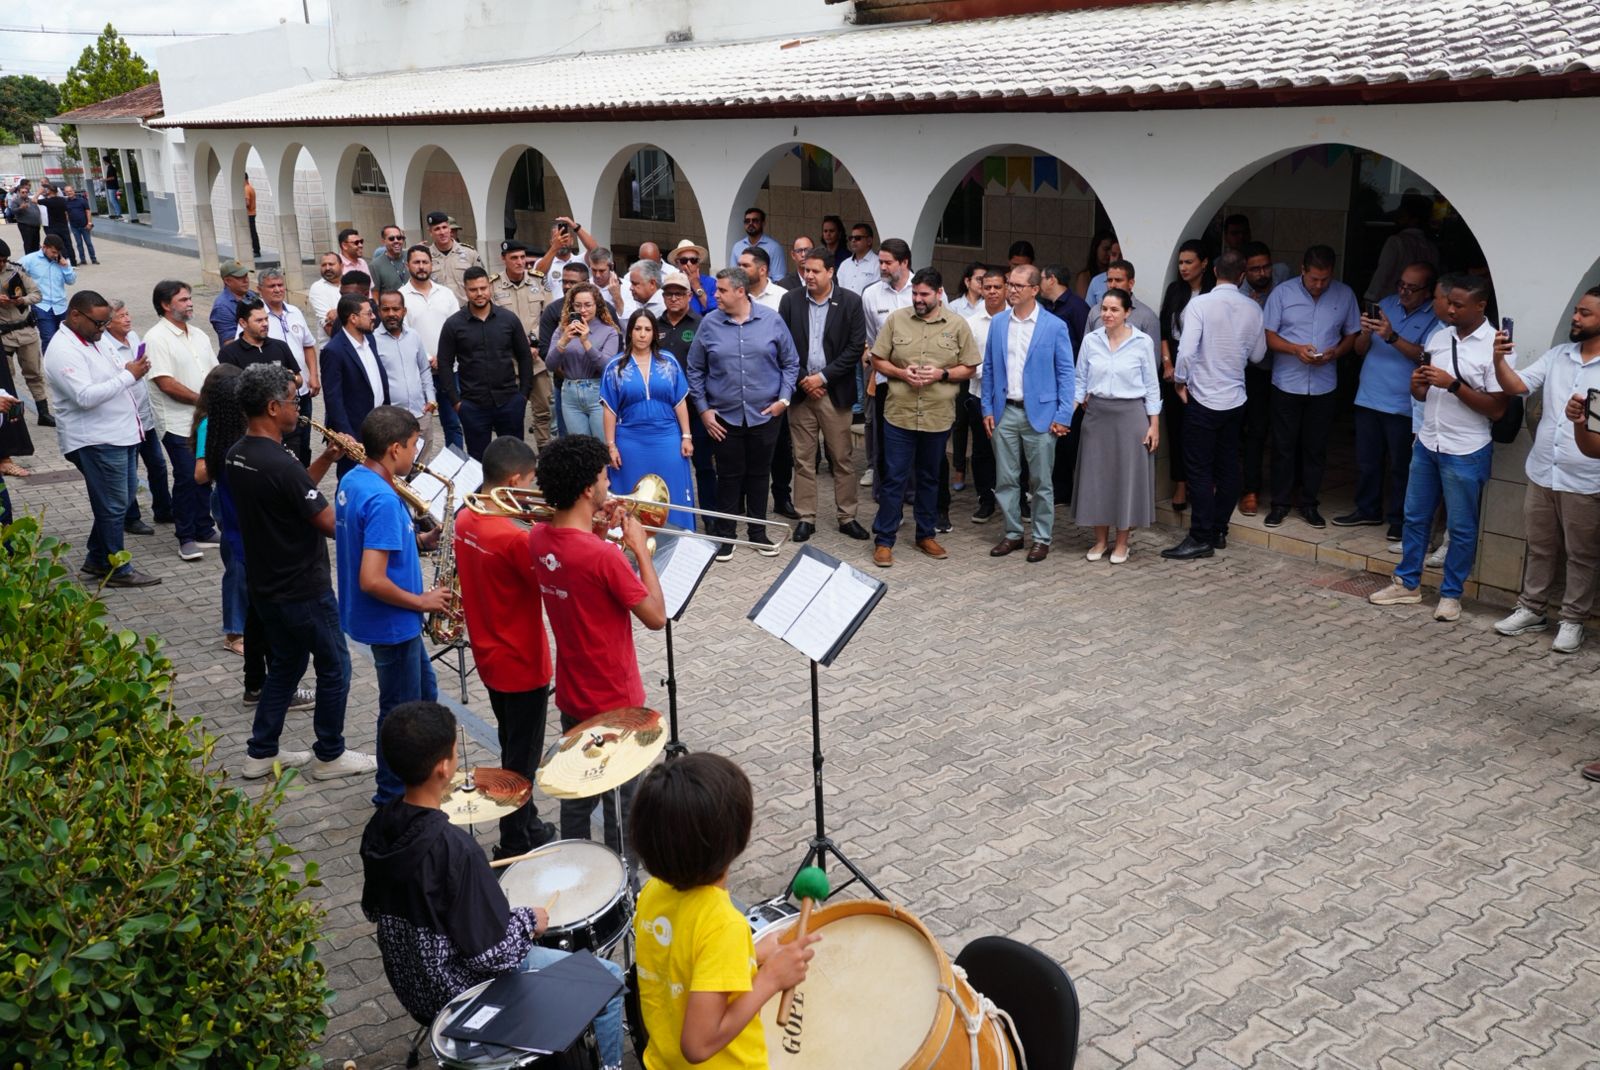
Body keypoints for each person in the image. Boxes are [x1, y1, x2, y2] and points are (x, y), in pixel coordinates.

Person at [361, 703, 627, 1070]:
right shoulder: (454, 850)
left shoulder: (380, 828)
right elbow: (494, 956)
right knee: (608, 980)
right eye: (455, 750)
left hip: (413, 986)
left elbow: (375, 908)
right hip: (461, 991)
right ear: (444, 767)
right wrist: (528, 921)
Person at [226, 363, 374, 779]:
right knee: (335, 667)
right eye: (294, 401)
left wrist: (327, 457)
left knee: (287, 667)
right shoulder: (279, 463)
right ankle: (330, 753)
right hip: (302, 586)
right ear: (274, 407)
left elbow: (292, 495)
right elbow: (327, 522)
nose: (299, 408)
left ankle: (261, 752)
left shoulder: (239, 454)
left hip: (266, 584)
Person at [629, 753, 819, 1070]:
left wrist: (752, 955)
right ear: (738, 837)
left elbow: (681, 960)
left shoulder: (651, 894)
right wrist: (770, 979)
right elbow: (698, 1044)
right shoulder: (723, 925)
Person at [528, 435, 666, 851]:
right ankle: (626, 889)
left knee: (576, 792)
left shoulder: (537, 537)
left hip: (573, 694)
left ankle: (576, 868)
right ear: (588, 488)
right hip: (616, 701)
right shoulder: (605, 557)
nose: (610, 483)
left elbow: (575, 556)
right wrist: (640, 550)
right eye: (605, 476)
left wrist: (598, 528)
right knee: (622, 810)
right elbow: (656, 618)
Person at [1369, 275, 1509, 622]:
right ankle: (1407, 584)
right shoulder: (1439, 337)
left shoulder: (1495, 345)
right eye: (1449, 302)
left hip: (1466, 448)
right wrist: (1417, 385)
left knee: (1461, 527)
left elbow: (1497, 409)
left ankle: (1451, 595)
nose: (1449, 308)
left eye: (1458, 304)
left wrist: (1454, 385)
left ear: (1480, 306)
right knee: (1415, 518)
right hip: (1428, 441)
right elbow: (1422, 393)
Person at [336, 405, 453, 804]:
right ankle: (392, 797)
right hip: (393, 621)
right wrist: (422, 601)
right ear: (393, 449)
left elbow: (371, 544)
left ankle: (418, 778)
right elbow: (372, 578)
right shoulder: (384, 499)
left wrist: (419, 542)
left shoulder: (355, 480)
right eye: (413, 446)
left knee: (425, 693)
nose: (416, 454)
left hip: (387, 621)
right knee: (400, 715)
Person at [453, 437, 559, 856]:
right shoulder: (513, 538)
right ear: (514, 480)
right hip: (523, 662)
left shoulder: (465, 517)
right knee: (521, 759)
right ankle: (515, 841)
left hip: (489, 655)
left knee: (510, 740)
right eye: (530, 482)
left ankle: (527, 822)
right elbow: (552, 584)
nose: (533, 490)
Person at [1490, 286, 1600, 654]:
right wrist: (1498, 361)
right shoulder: (1558, 356)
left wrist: (1581, 423)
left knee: (1582, 554)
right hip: (1542, 471)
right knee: (1539, 547)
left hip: (1585, 480)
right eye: (1577, 311)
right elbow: (1516, 386)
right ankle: (1532, 609)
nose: (1576, 317)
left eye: (1585, 313)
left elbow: (1597, 443)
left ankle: (1572, 621)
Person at [42, 289, 161, 587]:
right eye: (98, 323)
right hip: (96, 440)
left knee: (120, 500)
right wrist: (128, 376)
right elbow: (84, 396)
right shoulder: (62, 350)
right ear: (75, 315)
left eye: (106, 322)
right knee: (112, 504)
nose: (102, 329)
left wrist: (131, 370)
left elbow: (113, 374)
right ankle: (116, 569)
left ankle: (97, 559)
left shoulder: (94, 339)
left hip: (121, 434)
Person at [1159, 251, 1268, 560]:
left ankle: (1200, 536)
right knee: (1228, 467)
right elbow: (1258, 356)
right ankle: (1219, 530)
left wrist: (1180, 380)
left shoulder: (1200, 305)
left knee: (1199, 470)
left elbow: (1187, 350)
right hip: (1235, 399)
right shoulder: (1253, 308)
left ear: (1215, 270)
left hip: (1203, 399)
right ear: (1242, 276)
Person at [686, 267, 800, 559]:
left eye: (721, 290)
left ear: (740, 291)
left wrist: (783, 401)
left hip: (766, 415)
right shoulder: (710, 323)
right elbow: (695, 369)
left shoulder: (772, 321)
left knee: (761, 474)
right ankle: (726, 536)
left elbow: (791, 363)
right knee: (728, 475)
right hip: (723, 417)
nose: (715, 296)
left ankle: (757, 532)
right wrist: (704, 410)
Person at [1338, 262, 1441, 538]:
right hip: (1369, 397)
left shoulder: (1436, 317)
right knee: (1367, 461)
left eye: (1412, 288)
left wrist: (1392, 336)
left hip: (1404, 405)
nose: (1404, 292)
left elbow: (1427, 356)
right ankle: (1367, 510)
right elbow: (1360, 351)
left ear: (1428, 291)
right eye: (1401, 285)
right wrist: (1365, 333)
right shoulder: (1386, 304)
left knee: (1401, 466)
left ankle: (1399, 519)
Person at [1262, 245, 1361, 529]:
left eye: (1325, 279)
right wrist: (1295, 349)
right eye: (1314, 278)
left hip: (1324, 385)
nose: (1319, 285)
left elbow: (1352, 334)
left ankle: (1309, 504)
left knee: (1315, 448)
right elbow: (1269, 336)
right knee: (1283, 446)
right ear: (1302, 271)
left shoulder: (1344, 295)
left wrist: (1336, 353)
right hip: (1286, 383)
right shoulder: (1282, 294)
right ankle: (1279, 504)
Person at [980, 265, 1073, 564]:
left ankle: (1042, 538)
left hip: (1042, 415)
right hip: (1004, 410)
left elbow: (1066, 374)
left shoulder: (1054, 326)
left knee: (1041, 482)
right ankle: (1013, 534)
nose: (1011, 290)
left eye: (1019, 285)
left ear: (1035, 290)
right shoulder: (998, 323)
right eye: (1010, 284)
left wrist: (1063, 415)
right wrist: (986, 408)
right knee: (1006, 478)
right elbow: (990, 369)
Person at [779, 248, 869, 543]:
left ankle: (848, 516)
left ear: (831, 272)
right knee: (803, 460)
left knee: (841, 458)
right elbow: (784, 345)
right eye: (806, 270)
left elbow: (855, 347)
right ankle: (806, 517)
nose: (809, 276)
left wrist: (823, 378)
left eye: (816, 271)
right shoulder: (790, 300)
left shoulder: (850, 302)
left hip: (834, 392)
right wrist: (806, 378)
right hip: (802, 394)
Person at [1074, 288, 1161, 563]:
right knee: (1097, 478)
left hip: (1130, 417)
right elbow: (1079, 382)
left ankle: (1122, 543)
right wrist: (1064, 416)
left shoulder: (1142, 341)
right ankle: (1100, 541)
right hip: (1097, 416)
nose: (1108, 314)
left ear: (1127, 313)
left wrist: (1154, 424)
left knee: (1125, 479)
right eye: (1104, 309)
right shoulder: (1091, 340)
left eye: (1114, 310)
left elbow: (1151, 386)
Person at [144, 279, 222, 561]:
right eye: (183, 300)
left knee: (205, 474)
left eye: (189, 299)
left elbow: (215, 372)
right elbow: (166, 382)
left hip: (207, 420)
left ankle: (204, 528)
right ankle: (186, 536)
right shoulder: (156, 338)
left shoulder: (198, 334)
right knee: (188, 477)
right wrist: (201, 400)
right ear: (166, 305)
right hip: (179, 423)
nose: (190, 303)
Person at [602, 309, 695, 527]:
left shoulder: (669, 362)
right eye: (637, 329)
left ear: (654, 333)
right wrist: (611, 446)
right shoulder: (615, 367)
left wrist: (687, 436)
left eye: (647, 329)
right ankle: (629, 543)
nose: (642, 334)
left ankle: (677, 541)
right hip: (630, 441)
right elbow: (610, 410)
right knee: (629, 493)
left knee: (672, 490)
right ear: (630, 332)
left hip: (667, 438)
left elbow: (680, 402)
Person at [437, 267, 533, 460]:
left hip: (509, 402)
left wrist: (522, 396)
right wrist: (456, 402)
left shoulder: (509, 320)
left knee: (514, 459)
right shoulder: (453, 325)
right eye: (473, 290)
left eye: (483, 288)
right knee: (478, 462)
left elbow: (524, 357)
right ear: (465, 290)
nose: (479, 293)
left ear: (489, 287)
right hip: (472, 406)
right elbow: (445, 364)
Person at [193, 365, 255, 661]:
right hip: (228, 498)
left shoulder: (241, 419)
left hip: (245, 495)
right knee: (237, 564)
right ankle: (234, 632)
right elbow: (200, 474)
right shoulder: (210, 425)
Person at [103, 298, 172, 529]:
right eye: (121, 316)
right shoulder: (104, 346)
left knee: (158, 466)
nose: (128, 319)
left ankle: (164, 510)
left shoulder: (132, 336)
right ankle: (130, 518)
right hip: (125, 420)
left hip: (145, 416)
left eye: (128, 313)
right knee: (129, 473)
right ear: (108, 323)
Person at [656, 268, 718, 515]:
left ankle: (710, 516)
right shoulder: (653, 325)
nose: (673, 298)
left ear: (689, 295)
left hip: (695, 407)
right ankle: (673, 515)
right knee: (668, 465)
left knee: (703, 466)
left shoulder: (702, 324)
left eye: (679, 293)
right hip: (663, 410)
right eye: (669, 293)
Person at [1236, 241, 1291, 515]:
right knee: (1249, 432)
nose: (1262, 273)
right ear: (1244, 272)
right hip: (1249, 370)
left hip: (1282, 368)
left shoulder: (1283, 278)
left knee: (1273, 433)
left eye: (1265, 266)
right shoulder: (1239, 296)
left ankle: (1268, 489)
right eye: (1255, 269)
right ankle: (1247, 488)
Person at [1158, 240, 1212, 514]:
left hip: (1205, 366)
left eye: (1189, 262)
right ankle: (1180, 483)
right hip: (1175, 362)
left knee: (1202, 429)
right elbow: (1164, 331)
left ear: (1204, 263)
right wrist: (1168, 364)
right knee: (1177, 429)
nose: (1183, 268)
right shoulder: (1175, 290)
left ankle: (1203, 481)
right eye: (1180, 262)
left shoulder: (1213, 293)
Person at [860, 238, 915, 496]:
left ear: (904, 263)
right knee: (885, 439)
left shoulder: (924, 289)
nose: (881, 267)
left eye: (887, 262)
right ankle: (886, 494)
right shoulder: (870, 294)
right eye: (880, 261)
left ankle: (913, 493)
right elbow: (872, 340)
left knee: (917, 440)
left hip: (920, 383)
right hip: (885, 381)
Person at [398, 243, 464, 451]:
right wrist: (427, 357)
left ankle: (456, 469)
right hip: (418, 374)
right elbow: (404, 332)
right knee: (416, 427)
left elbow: (457, 330)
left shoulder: (446, 294)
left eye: (425, 262)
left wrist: (444, 358)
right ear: (408, 265)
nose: (421, 266)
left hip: (449, 371)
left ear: (431, 265)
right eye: (416, 262)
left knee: (453, 423)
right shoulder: (401, 297)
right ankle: (413, 472)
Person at [492, 240, 553, 449]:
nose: (519, 262)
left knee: (543, 409)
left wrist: (537, 345)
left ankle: (544, 453)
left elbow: (548, 318)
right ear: (504, 259)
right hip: (509, 363)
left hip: (536, 359)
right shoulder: (493, 286)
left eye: (522, 257)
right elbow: (492, 323)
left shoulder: (538, 281)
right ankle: (516, 454)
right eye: (513, 258)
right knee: (511, 411)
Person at [320, 292, 391, 474]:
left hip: (378, 426)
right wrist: (347, 437)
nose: (374, 316)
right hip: (354, 433)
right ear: (353, 318)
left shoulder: (371, 340)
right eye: (368, 313)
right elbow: (333, 398)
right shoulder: (333, 351)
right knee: (353, 481)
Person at [961, 266, 1008, 523]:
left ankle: (1017, 499)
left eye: (997, 287)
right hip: (979, 395)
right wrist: (989, 372)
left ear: (1006, 288)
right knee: (982, 450)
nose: (991, 292)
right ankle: (985, 499)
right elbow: (967, 361)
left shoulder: (1016, 318)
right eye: (987, 287)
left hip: (1011, 397)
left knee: (1013, 450)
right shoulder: (971, 323)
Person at [258, 268, 320, 464]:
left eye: (280, 285)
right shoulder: (258, 317)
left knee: (303, 441)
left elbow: (308, 345)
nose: (277, 290)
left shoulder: (295, 312)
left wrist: (314, 375)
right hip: (276, 398)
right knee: (281, 445)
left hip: (301, 392)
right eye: (271, 286)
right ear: (260, 289)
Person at [548, 282, 621, 441]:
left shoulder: (609, 331)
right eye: (578, 305)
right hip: (570, 392)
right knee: (580, 448)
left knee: (603, 446)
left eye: (588, 305)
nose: (583, 310)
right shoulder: (562, 330)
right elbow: (550, 365)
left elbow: (607, 367)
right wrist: (564, 341)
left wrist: (586, 342)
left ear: (597, 305)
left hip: (598, 391)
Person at [374, 290, 438, 460]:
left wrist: (431, 399)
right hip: (392, 419)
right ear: (379, 311)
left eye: (396, 309)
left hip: (421, 414)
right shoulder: (372, 341)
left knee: (422, 467)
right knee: (396, 467)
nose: (391, 314)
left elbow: (424, 369)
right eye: (386, 309)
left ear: (404, 311)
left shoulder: (414, 336)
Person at [0, 239, 53, 427]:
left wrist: (21, 300)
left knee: (34, 373)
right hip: (3, 336)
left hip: (25, 331)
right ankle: (13, 417)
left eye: (4, 260)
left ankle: (43, 413)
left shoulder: (16, 271)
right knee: (6, 379)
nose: (2, 263)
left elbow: (37, 294)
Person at [1365, 194, 1440, 304]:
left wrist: (1370, 297)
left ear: (1414, 219)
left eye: (1403, 215)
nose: (1398, 217)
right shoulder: (1431, 247)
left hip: (1392, 301)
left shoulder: (1396, 242)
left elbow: (1383, 271)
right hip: (1421, 302)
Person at [219, 298, 302, 381]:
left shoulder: (281, 346)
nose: (265, 324)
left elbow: (299, 379)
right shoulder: (229, 353)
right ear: (243, 323)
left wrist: (292, 378)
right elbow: (225, 389)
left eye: (266, 319)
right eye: (259, 320)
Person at [20, 235, 74, 357]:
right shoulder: (30, 260)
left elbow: (71, 281)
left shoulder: (61, 261)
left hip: (61, 306)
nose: (55, 255)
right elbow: (13, 274)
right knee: (49, 339)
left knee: (65, 339)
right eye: (53, 252)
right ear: (44, 247)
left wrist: (65, 267)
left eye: (58, 252)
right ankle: (50, 367)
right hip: (41, 306)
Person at [425, 211, 482, 303]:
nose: (442, 232)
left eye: (444, 227)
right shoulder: (425, 257)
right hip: (439, 311)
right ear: (430, 232)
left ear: (449, 229)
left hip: (466, 310)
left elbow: (481, 282)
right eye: (437, 229)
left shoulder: (469, 253)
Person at [208, 260, 257, 349]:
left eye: (246, 275)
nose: (246, 280)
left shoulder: (251, 295)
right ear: (227, 281)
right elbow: (230, 343)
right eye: (240, 277)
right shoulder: (222, 308)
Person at [730, 206, 787, 281]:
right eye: (747, 221)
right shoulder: (737, 246)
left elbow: (779, 278)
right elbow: (733, 276)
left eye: (755, 221)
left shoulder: (774, 247)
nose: (750, 223)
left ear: (763, 223)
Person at [668, 240, 717, 317]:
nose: (689, 263)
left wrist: (696, 286)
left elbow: (715, 311)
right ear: (677, 263)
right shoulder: (671, 284)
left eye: (693, 260)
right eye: (684, 260)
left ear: (698, 263)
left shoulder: (711, 283)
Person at [836, 221, 879, 295]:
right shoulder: (844, 264)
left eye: (858, 238)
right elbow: (838, 290)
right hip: (845, 306)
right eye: (851, 238)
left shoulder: (878, 263)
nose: (853, 240)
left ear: (869, 241)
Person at [1076, 229, 1118, 301]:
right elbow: (1083, 306)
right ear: (1095, 248)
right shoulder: (1085, 277)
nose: (1109, 254)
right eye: (1106, 249)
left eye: (1112, 252)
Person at [308, 252, 343, 340]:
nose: (327, 268)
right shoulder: (318, 288)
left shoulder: (349, 283)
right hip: (333, 346)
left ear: (342, 266)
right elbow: (330, 329)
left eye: (331, 264)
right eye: (324, 265)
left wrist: (338, 312)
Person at [38, 184, 73, 266]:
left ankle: (59, 260)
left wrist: (39, 193)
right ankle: (72, 262)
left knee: (55, 244)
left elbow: (34, 200)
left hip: (53, 227)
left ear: (49, 191)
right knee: (68, 243)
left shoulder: (48, 201)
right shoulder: (63, 200)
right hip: (63, 225)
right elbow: (66, 212)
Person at [63, 185, 97, 267]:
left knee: (88, 243)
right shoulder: (65, 202)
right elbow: (66, 214)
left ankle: (93, 259)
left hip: (85, 226)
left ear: (73, 191)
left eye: (70, 191)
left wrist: (89, 223)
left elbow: (88, 212)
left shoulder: (82, 200)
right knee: (79, 244)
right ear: (65, 193)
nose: (69, 193)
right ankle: (83, 260)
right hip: (74, 227)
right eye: (67, 192)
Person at [9, 179, 40, 253]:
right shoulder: (16, 201)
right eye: (23, 192)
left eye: (26, 192)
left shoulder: (30, 200)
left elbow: (36, 210)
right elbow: (12, 211)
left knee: (36, 245)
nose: (25, 193)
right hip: (25, 226)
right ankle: (28, 261)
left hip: (35, 226)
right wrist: (20, 208)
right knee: (28, 244)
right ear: (19, 193)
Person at [242, 176, 260, 259]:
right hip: (252, 213)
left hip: (249, 214)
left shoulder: (246, 189)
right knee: (253, 232)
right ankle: (255, 250)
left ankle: (256, 250)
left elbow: (247, 203)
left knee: (252, 233)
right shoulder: (251, 188)